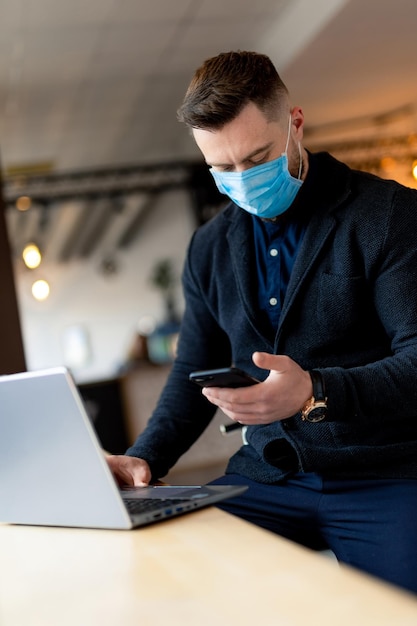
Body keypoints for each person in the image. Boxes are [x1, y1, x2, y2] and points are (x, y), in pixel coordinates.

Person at [107, 51, 417, 593]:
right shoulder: (207, 250)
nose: (243, 181)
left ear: (295, 123)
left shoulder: (388, 215)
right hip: (271, 475)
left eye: (257, 158)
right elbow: (191, 371)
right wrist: (142, 458)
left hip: (388, 473)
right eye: (223, 169)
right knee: (170, 576)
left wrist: (316, 391)